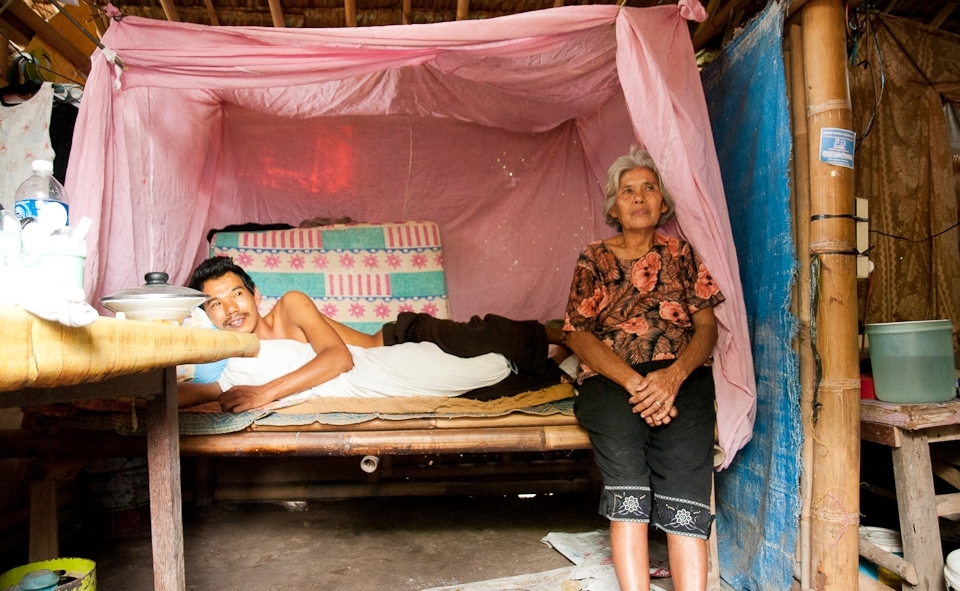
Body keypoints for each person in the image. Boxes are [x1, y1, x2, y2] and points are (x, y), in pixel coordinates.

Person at [562, 147, 724, 591]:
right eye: (626, 191)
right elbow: (577, 333)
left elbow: (706, 328)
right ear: (613, 206)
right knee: (628, 476)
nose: (638, 198)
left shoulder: (682, 254)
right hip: (612, 380)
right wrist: (638, 384)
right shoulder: (593, 257)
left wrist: (670, 379)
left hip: (682, 379)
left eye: (648, 188)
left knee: (686, 477)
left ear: (662, 203)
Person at [179, 256, 571, 411]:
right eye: (215, 304)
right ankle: (560, 366)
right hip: (385, 360)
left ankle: (563, 334)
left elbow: (339, 358)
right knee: (488, 371)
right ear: (206, 314)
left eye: (236, 294)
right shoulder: (238, 354)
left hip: (398, 337)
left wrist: (265, 394)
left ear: (255, 295)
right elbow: (207, 391)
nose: (230, 309)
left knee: (479, 336)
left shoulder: (290, 306)